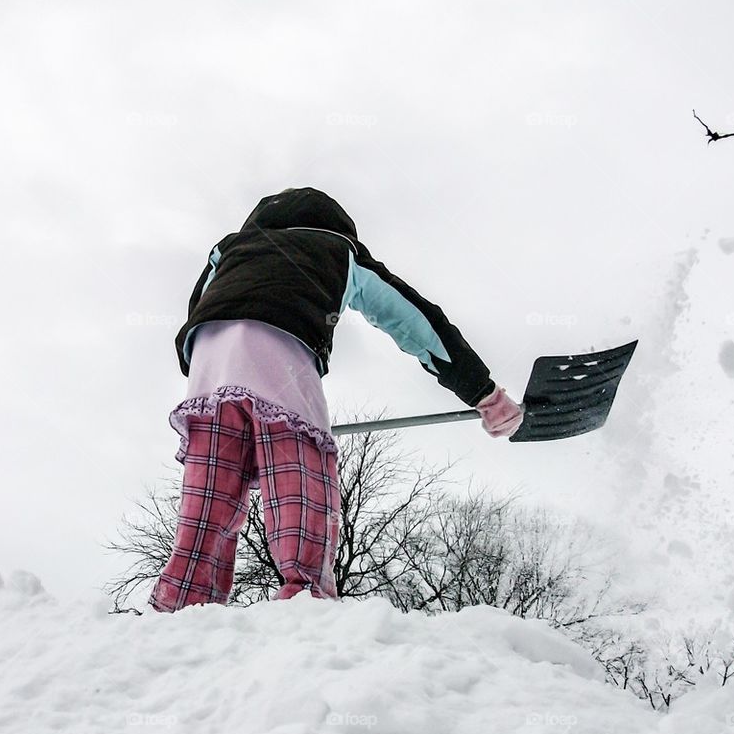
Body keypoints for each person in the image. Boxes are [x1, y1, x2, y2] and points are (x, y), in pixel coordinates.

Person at [148, 187, 523, 612]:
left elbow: (197, 306)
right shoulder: (338, 250)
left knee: (211, 495)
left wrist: (233, 393)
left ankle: (181, 606)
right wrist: (484, 393)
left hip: (207, 368)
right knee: (302, 478)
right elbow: (417, 322)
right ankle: (305, 600)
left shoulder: (231, 247)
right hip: (281, 351)